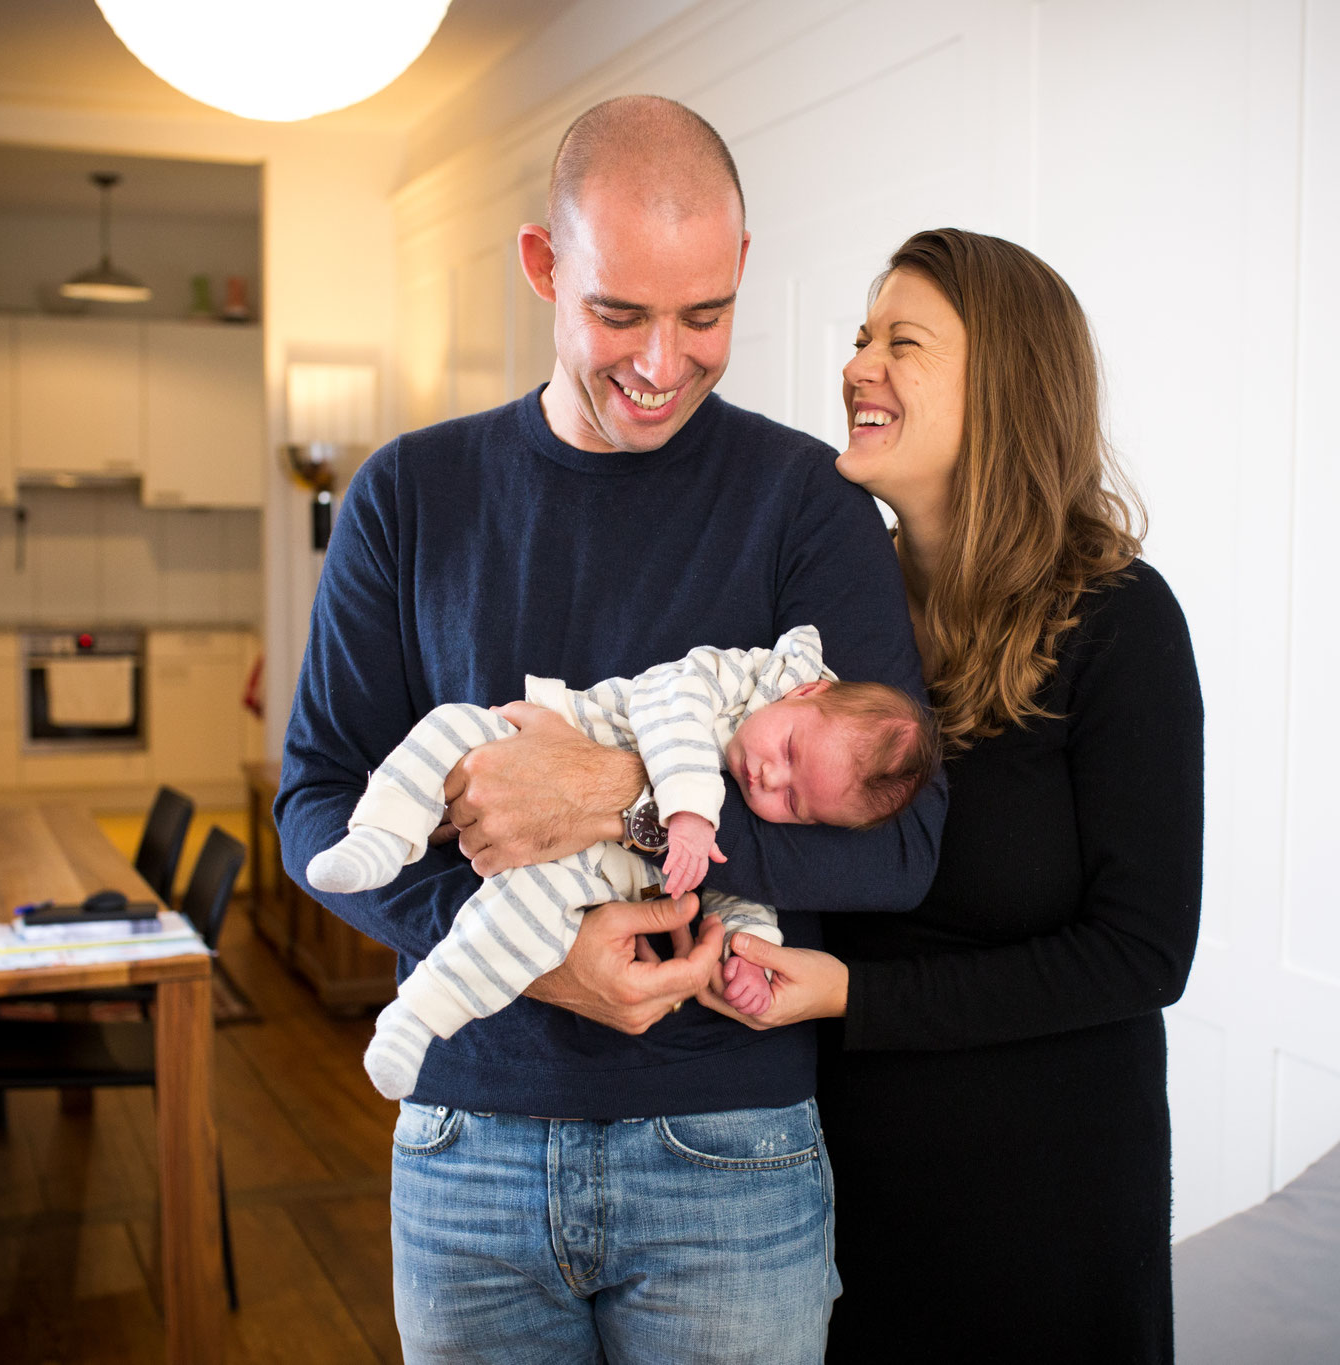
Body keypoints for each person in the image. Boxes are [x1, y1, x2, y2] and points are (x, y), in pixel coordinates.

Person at [275, 96, 945, 1364]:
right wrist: (529, 959)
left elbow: (897, 848)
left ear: (742, 265)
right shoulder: (407, 497)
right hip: (466, 1137)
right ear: (543, 265)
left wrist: (625, 802)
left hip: (728, 1156)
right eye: (617, 314)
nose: (661, 363)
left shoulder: (808, 506)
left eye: (705, 317)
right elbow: (315, 800)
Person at [701, 228, 1204, 1361]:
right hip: (830, 1189)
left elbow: (1140, 955)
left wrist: (851, 999)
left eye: (902, 340)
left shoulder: (1118, 623)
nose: (856, 365)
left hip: (1042, 1206)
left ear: (1009, 387)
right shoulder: (827, 621)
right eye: (860, 335)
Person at [304, 624, 938, 1098]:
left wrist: (747, 954)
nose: (770, 777)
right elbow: (667, 699)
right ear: (806, 690)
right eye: (791, 749)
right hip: (538, 739)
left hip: (591, 870)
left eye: (795, 803)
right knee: (453, 728)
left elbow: (739, 891)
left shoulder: (762, 779)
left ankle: (417, 1019)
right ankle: (383, 834)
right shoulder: (744, 677)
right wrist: (687, 810)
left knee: (524, 917)